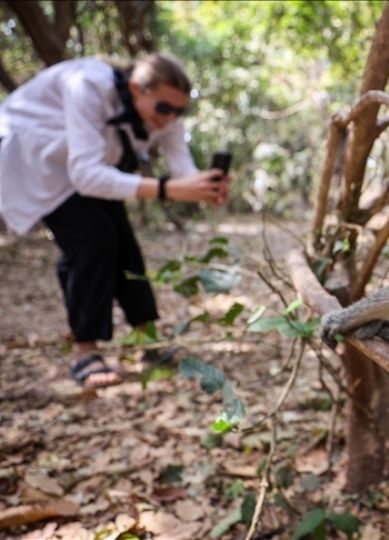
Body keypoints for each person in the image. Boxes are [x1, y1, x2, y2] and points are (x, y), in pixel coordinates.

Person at [0, 53, 231, 389]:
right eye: (163, 109)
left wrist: (204, 187)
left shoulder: (167, 113)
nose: (170, 118)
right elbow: (85, 174)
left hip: (82, 167)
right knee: (92, 240)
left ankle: (147, 339)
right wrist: (166, 189)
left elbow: (183, 171)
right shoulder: (88, 85)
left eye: (179, 111)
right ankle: (84, 350)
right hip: (34, 161)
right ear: (137, 89)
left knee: (123, 243)